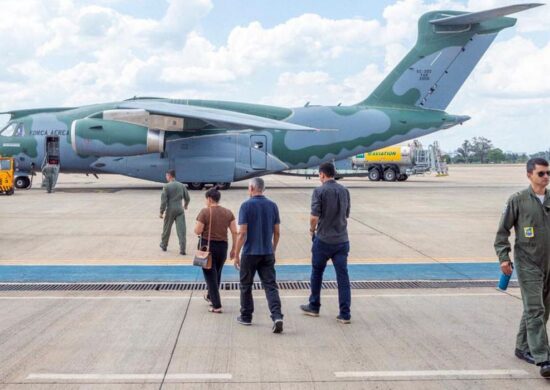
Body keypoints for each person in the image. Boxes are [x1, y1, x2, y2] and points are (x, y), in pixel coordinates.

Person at [495, 158, 550, 378]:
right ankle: (543, 358)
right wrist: (503, 257)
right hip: (528, 263)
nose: (546, 177)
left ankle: (522, 347)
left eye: (548, 173)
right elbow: (502, 233)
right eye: (541, 173)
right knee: (535, 310)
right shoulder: (517, 200)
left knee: (539, 309)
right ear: (529, 175)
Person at [300, 162, 352, 324]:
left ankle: (314, 306)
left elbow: (314, 216)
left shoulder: (319, 191)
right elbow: (346, 214)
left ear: (322, 175)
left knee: (317, 272)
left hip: (323, 240)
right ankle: (345, 314)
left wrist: (311, 229)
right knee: (342, 277)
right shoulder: (344, 191)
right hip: (342, 240)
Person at [232, 177, 284, 333]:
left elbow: (242, 233)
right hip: (267, 252)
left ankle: (246, 316)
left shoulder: (246, 206)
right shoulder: (273, 206)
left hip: (250, 253)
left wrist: (236, 253)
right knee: (270, 286)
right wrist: (273, 249)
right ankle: (277, 316)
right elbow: (277, 232)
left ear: (252, 188)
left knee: (246, 285)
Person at [194, 186, 237, 313]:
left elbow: (198, 230)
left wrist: (197, 228)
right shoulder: (228, 212)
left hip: (208, 248)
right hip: (223, 247)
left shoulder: (205, 212)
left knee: (210, 276)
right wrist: (234, 248)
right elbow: (235, 231)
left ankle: (216, 305)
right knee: (217, 273)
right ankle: (210, 296)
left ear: (209, 199)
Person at [159, 169, 190, 255]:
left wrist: (161, 211)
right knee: (181, 230)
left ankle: (164, 245)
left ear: (169, 175)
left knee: (167, 229)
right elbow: (187, 198)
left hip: (170, 210)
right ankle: (182, 249)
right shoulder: (181, 185)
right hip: (180, 209)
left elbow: (163, 201)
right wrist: (186, 205)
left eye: (166, 176)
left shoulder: (166, 186)